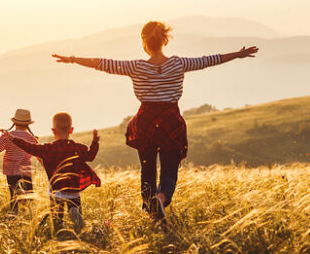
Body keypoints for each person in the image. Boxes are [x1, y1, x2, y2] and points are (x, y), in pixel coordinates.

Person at [53, 21, 257, 221]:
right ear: (164, 40)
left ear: (144, 42)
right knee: (169, 168)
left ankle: (151, 207)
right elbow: (209, 60)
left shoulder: (135, 67)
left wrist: (72, 59)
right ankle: (161, 198)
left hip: (146, 123)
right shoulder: (179, 63)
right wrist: (238, 55)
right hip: (170, 122)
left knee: (147, 168)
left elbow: (102, 63)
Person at [7, 112, 100, 232]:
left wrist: (14, 139)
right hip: (74, 191)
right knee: (76, 215)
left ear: (53, 130)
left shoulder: (47, 149)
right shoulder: (79, 148)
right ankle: (75, 215)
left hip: (56, 192)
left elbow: (30, 147)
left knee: (56, 221)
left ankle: (58, 232)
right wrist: (95, 143)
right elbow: (90, 156)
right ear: (71, 130)